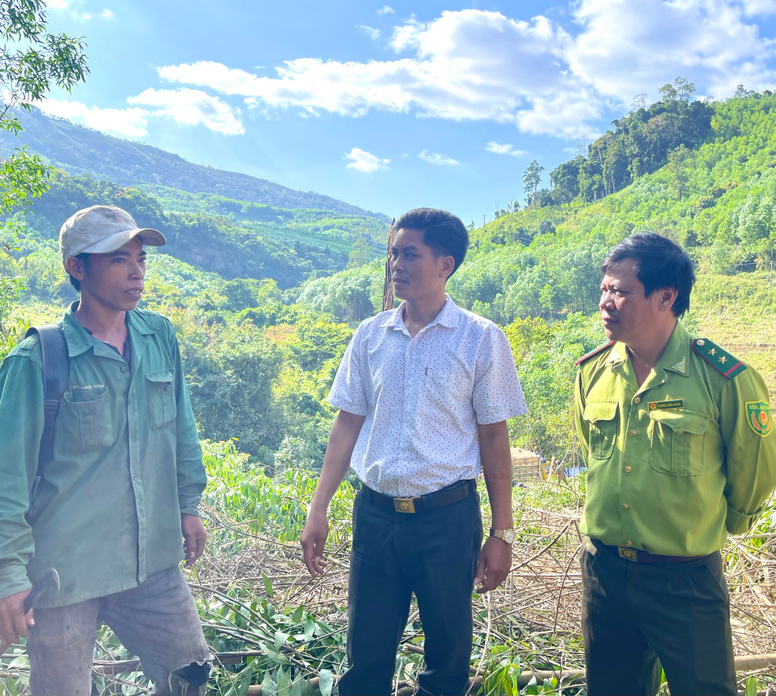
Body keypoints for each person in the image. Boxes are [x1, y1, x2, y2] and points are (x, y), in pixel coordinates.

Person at [0, 205, 212, 696]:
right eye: (119, 260)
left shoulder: (157, 336)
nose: (137, 271)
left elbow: (180, 430)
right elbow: (2, 478)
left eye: (141, 258)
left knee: (190, 673)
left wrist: (189, 507)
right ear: (77, 267)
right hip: (64, 576)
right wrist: (6, 576)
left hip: (151, 563)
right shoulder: (39, 359)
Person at [300, 207, 527, 696]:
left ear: (445, 265)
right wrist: (318, 509)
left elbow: (494, 439)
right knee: (365, 659)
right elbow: (346, 425)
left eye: (410, 255)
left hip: (447, 520)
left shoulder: (480, 338)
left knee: (446, 662)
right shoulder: (371, 335)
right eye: (393, 254)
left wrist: (502, 533)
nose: (396, 265)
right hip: (376, 517)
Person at [574, 232, 776, 696]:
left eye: (620, 291)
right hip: (605, 575)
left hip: (684, 580)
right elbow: (590, 451)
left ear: (667, 296)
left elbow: (755, 470)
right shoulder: (591, 372)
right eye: (604, 288)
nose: (606, 301)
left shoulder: (725, 379)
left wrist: (727, 522)